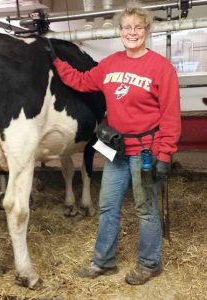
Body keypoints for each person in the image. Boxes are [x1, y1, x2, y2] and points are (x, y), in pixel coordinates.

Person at [47, 5, 181, 285]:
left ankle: (149, 263)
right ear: (120, 31)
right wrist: (56, 61)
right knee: (108, 207)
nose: (132, 32)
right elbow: (81, 82)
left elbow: (170, 115)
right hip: (116, 151)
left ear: (146, 30)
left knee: (145, 209)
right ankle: (103, 261)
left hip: (145, 152)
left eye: (138, 27)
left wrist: (165, 154)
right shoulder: (109, 64)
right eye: (127, 27)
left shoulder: (161, 68)